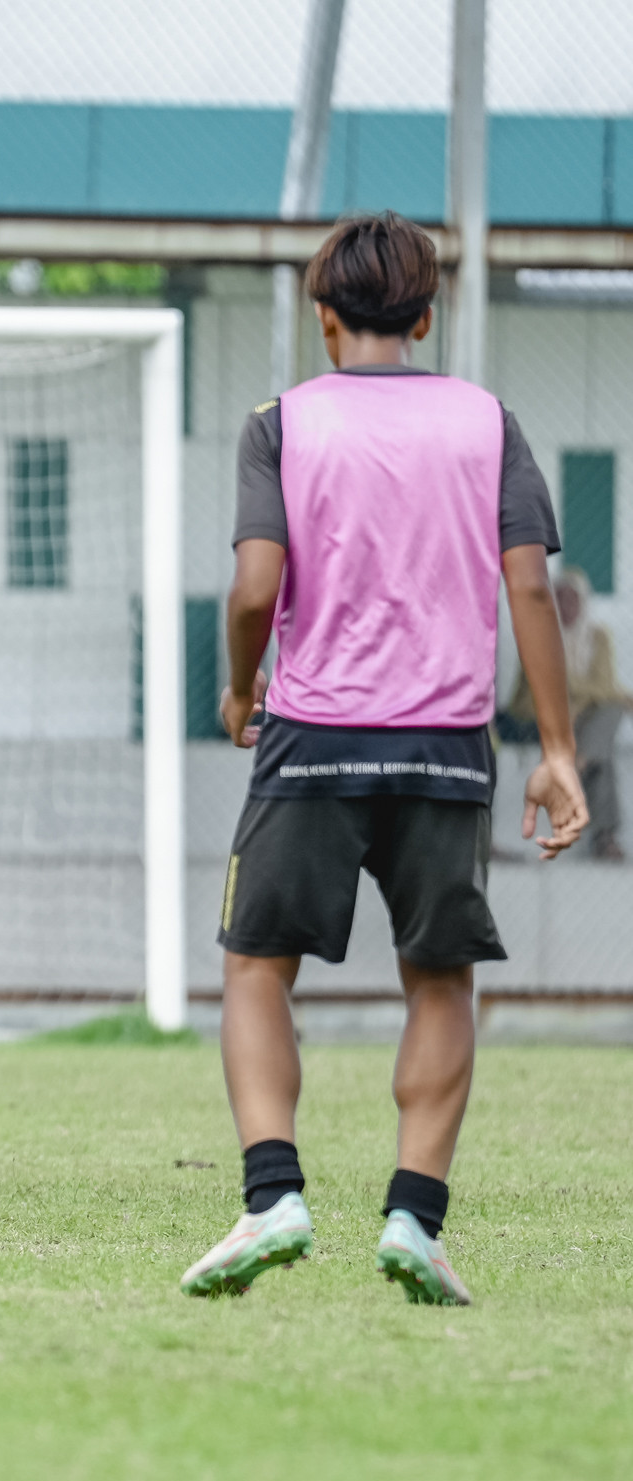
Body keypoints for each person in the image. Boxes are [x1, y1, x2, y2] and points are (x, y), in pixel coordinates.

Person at [181, 213, 588, 1307]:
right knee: (440, 978)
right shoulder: (489, 422)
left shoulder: (280, 424)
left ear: (323, 317)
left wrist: (240, 686)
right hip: (447, 744)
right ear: (426, 316)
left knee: (257, 965)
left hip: (312, 738)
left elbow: (256, 589)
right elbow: (531, 586)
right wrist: (557, 749)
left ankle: (274, 1194)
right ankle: (414, 1216)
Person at [503, 567, 627, 859]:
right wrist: (585, 692)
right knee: (606, 727)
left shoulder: (597, 637)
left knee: (610, 710)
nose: (567, 606)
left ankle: (581, 760)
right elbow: (538, 690)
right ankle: (604, 837)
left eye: (573, 599)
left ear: (584, 602)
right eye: (560, 599)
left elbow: (604, 686)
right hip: (542, 717)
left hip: (581, 719)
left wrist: (573, 688)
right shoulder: (538, 635)